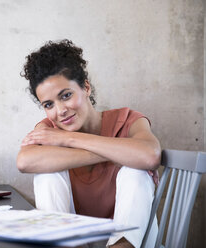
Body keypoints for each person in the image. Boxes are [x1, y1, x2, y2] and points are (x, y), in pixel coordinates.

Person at [17, 39, 160, 248]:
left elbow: (150, 156)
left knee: (135, 170)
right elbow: (24, 162)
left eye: (66, 95)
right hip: (79, 241)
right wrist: (117, 150)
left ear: (86, 87)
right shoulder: (48, 129)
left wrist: (68, 139)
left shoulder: (128, 119)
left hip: (134, 240)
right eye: (49, 104)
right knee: (47, 175)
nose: (60, 111)